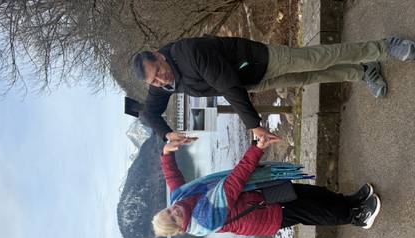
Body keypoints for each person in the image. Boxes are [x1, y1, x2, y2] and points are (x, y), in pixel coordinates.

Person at [133, 35, 415, 143]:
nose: (160, 81)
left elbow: (226, 84)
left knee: (320, 57)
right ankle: (364, 71)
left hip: (259, 60)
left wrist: (253, 124)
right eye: (154, 82)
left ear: (159, 55)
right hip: (253, 80)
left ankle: (385, 47)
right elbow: (148, 113)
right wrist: (167, 133)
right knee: (309, 77)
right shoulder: (164, 85)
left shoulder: (187, 52)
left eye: (158, 72)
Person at [151, 136, 381, 237]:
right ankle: (356, 217)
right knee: (314, 211)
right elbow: (232, 185)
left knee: (313, 194)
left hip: (261, 193)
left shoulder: (179, 198)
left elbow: (172, 177)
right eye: (173, 219)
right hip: (265, 213)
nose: (174, 211)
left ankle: (349, 201)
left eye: (168, 211)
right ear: (180, 229)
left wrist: (165, 154)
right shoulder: (203, 219)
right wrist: (256, 149)